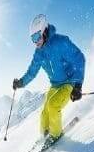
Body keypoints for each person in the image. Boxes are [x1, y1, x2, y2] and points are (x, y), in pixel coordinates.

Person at [12, 14, 85, 143]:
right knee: (44, 112)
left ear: (44, 31)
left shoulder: (61, 42)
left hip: (69, 82)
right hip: (55, 85)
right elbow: (32, 71)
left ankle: (56, 135)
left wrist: (78, 85)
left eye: (36, 37)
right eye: (32, 39)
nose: (35, 42)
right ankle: (45, 135)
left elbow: (79, 58)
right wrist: (21, 82)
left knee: (53, 105)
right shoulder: (39, 52)